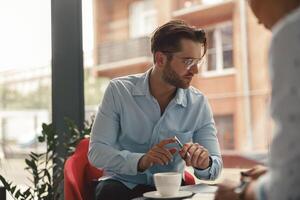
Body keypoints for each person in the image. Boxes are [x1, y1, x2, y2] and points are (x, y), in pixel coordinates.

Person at [88, 20, 223, 200]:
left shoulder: (198, 103)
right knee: (109, 194)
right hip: (122, 185)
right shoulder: (119, 91)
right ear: (160, 59)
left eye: (198, 61)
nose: (196, 70)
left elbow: (215, 166)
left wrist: (204, 163)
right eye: (188, 61)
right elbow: (97, 152)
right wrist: (142, 160)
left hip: (172, 190)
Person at [214, 0, 300, 199]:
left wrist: (242, 193)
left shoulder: (291, 33)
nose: (261, 24)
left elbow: (289, 189)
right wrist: (274, 173)